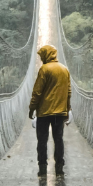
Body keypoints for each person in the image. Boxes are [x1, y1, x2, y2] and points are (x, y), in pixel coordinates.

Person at [29, 44, 71, 176]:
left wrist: (32, 109)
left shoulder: (44, 69)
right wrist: (67, 109)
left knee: (42, 140)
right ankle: (59, 167)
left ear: (47, 55)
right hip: (59, 112)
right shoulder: (64, 69)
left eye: (42, 56)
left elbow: (37, 92)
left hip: (44, 112)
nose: (41, 59)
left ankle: (42, 168)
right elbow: (68, 92)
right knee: (58, 139)